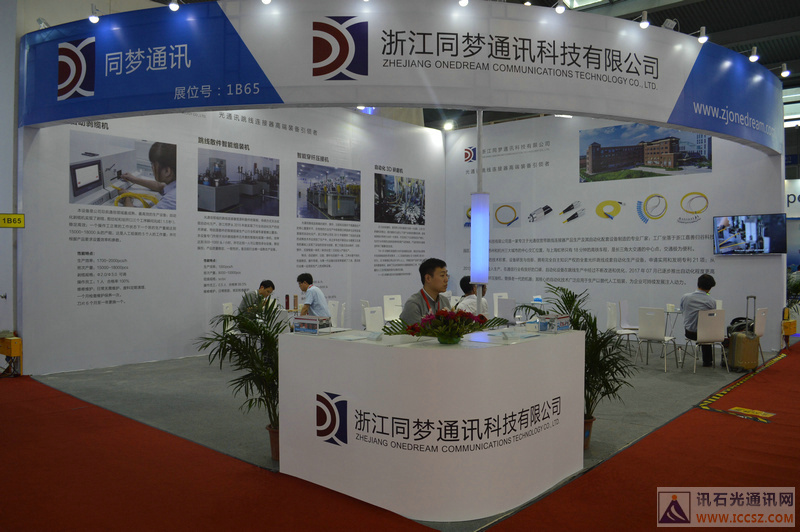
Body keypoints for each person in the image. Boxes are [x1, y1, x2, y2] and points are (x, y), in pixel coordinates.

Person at [119, 141, 177, 210]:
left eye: (153, 164)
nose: (152, 167)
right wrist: (134, 179)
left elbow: (135, 217)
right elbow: (161, 186)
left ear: (167, 171)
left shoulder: (170, 201)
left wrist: (127, 198)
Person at [680, 274, 719, 367]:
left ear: (698, 284)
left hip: (689, 332)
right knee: (706, 330)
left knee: (702, 331)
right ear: (710, 288)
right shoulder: (711, 301)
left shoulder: (685, 297)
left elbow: (682, 310)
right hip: (705, 334)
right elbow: (712, 317)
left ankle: (706, 359)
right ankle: (707, 361)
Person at [399, 258, 451, 325]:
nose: (446, 279)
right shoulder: (413, 304)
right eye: (442, 275)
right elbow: (412, 331)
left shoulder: (444, 301)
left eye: (446, 275)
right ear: (428, 278)